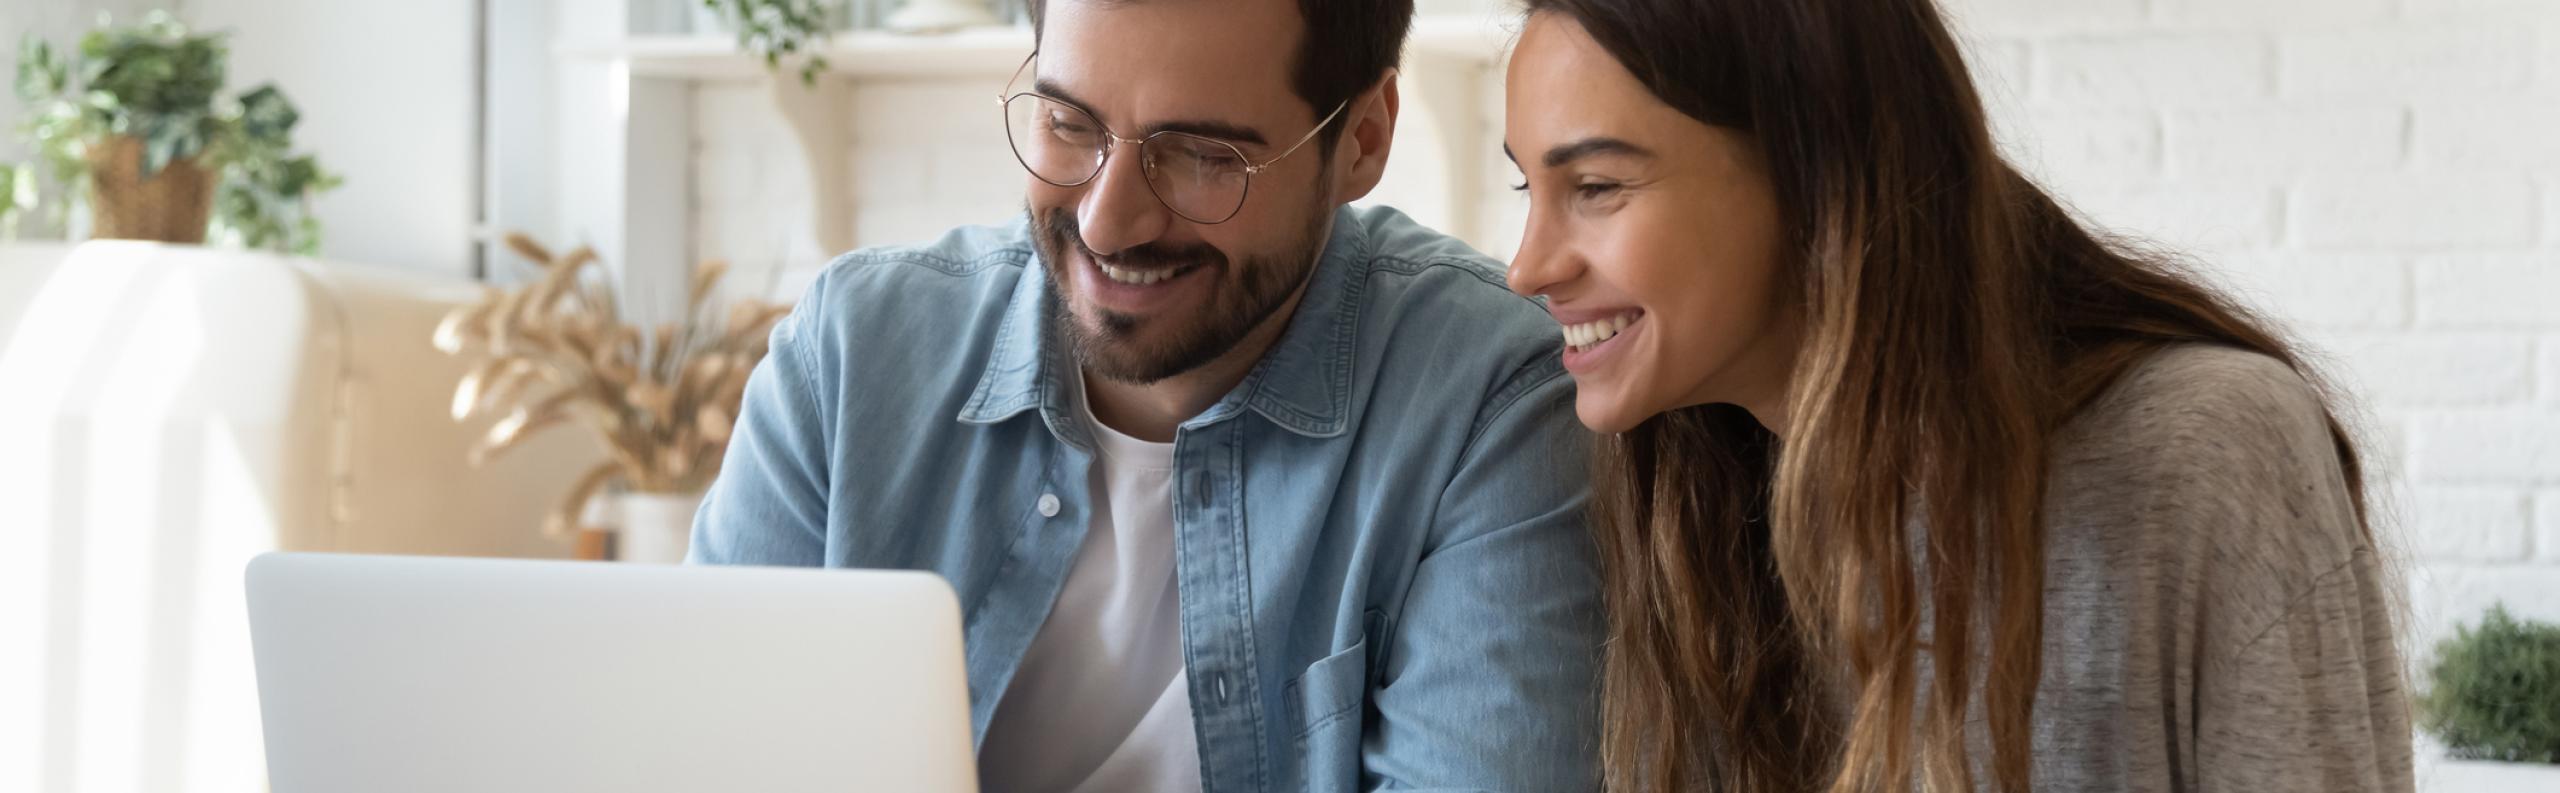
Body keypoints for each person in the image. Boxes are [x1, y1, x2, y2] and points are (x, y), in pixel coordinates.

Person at [1498, 0, 2411, 791]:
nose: (1527, 265)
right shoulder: (1687, 497)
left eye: (1596, 186)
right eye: (1527, 186)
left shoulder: (2206, 447)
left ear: (1817, 166)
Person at [689, 1, 1602, 791]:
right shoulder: (852, 355)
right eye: (1067, 124)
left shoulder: (1490, 401)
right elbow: (696, 753)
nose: (1107, 220)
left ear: (1361, 140)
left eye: (1203, 156)